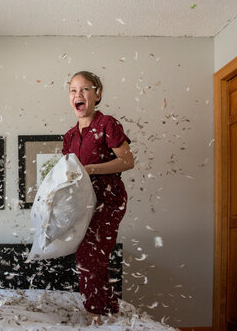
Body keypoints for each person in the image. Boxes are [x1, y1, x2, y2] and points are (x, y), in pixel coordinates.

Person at [61, 71, 134, 325]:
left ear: (97, 94)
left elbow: (127, 161)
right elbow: (67, 171)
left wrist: (90, 169)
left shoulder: (108, 125)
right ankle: (110, 307)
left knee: (89, 255)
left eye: (84, 89)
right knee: (95, 255)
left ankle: (95, 313)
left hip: (109, 199)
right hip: (83, 201)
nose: (77, 95)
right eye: (72, 90)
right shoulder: (69, 136)